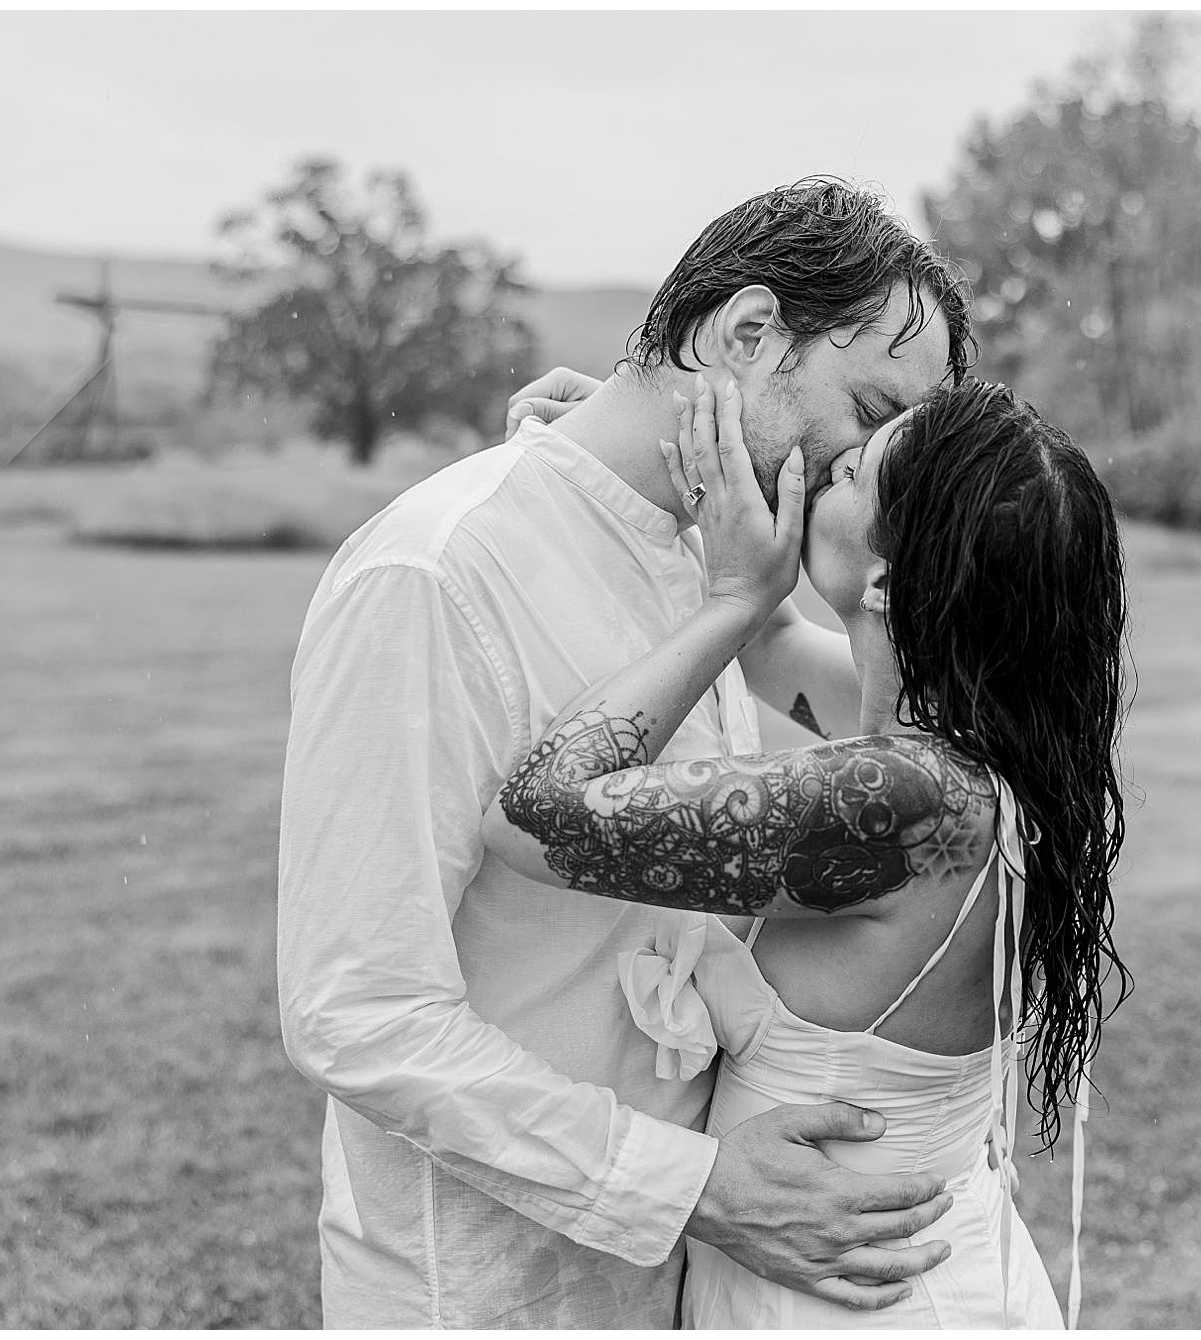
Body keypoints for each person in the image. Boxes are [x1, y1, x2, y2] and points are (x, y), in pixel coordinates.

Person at [277, 178, 974, 1327]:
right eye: (866, 410)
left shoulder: (715, 561)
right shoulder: (434, 571)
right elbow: (358, 1011)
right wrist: (687, 1184)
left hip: (684, 1284)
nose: (879, 467)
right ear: (746, 333)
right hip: (492, 1288)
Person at [482, 374, 1131, 1328]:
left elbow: (534, 816)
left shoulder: (902, 802)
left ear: (886, 577)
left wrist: (732, 600)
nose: (821, 467)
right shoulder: (988, 742)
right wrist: (631, 437)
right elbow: (779, 650)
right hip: (895, 1271)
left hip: (852, 1304)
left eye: (852, 469)